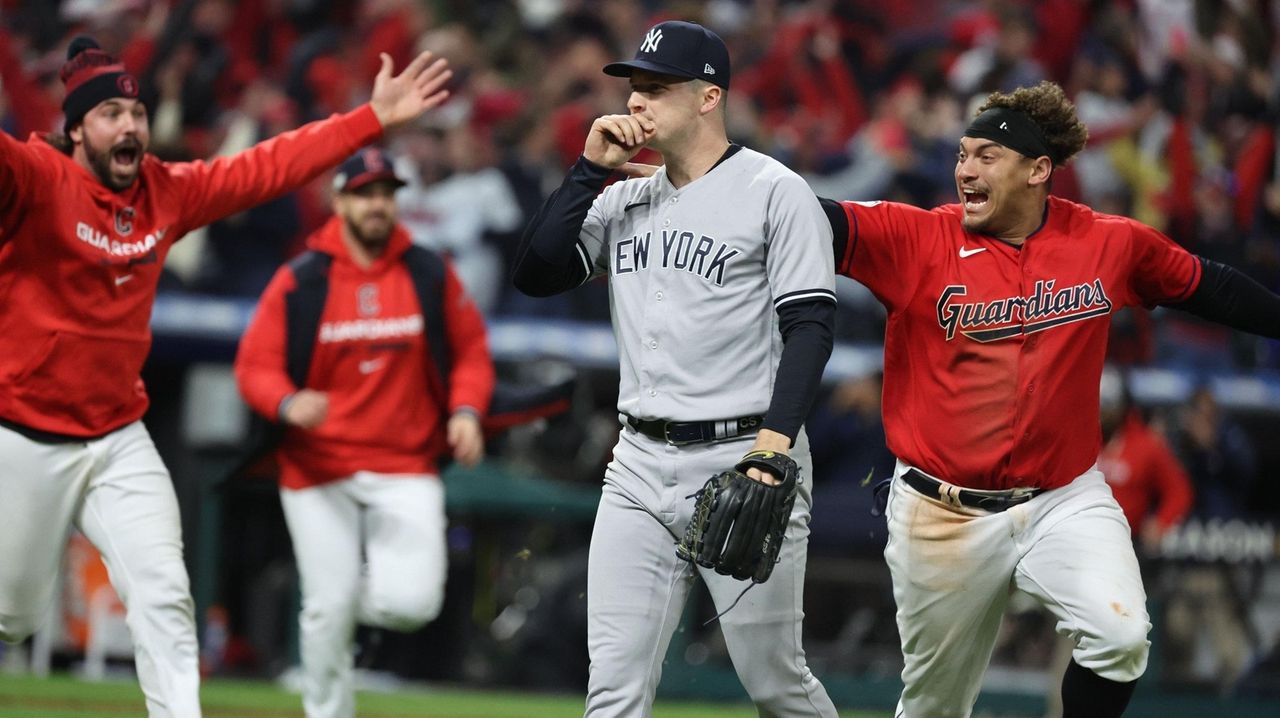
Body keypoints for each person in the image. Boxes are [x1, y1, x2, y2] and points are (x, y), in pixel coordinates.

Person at [0, 35, 451, 718]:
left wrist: (370, 120)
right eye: (110, 115)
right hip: (25, 431)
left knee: (164, 593)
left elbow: (269, 167)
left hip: (118, 434)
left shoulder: (166, 192)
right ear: (75, 130)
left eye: (138, 114)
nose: (129, 127)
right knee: (12, 617)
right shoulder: (38, 177)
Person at [820, 80, 1280, 717]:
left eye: (986, 156)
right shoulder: (915, 237)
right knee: (935, 706)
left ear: (1039, 170)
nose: (965, 170)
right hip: (941, 511)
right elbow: (809, 215)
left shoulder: (1108, 242)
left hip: (1062, 497)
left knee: (1119, 638)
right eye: (961, 154)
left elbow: (1212, 287)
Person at [512, 20, 839, 718]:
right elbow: (536, 273)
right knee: (615, 688)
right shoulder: (625, 195)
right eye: (635, 89)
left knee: (776, 683)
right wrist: (587, 172)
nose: (637, 103)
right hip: (636, 463)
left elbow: (811, 328)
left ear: (707, 98)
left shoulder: (775, 191)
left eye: (656, 90)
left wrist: (773, 449)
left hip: (745, 454)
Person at [234, 148, 493, 718]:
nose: (378, 205)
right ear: (340, 201)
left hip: (405, 464)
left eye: (387, 194)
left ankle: (344, 599)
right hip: (317, 467)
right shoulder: (303, 279)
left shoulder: (426, 269)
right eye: (366, 193)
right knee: (326, 607)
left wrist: (467, 409)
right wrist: (284, 400)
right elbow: (254, 363)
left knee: (412, 603)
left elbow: (472, 348)